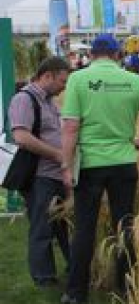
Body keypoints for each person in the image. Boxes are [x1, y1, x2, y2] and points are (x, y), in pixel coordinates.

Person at [59, 34, 139, 304]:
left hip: (90, 165)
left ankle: (76, 293)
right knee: (124, 225)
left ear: (92, 54)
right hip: (124, 163)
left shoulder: (78, 79)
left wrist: (66, 164)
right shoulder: (133, 80)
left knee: (85, 228)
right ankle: (126, 288)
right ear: (117, 54)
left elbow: (70, 127)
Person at [8, 57, 73, 287]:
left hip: (57, 174)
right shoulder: (24, 100)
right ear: (47, 76)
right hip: (39, 176)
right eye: (62, 81)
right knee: (42, 227)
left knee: (62, 226)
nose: (64, 86)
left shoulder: (50, 103)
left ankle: (74, 271)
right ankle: (44, 279)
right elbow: (22, 137)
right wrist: (57, 155)